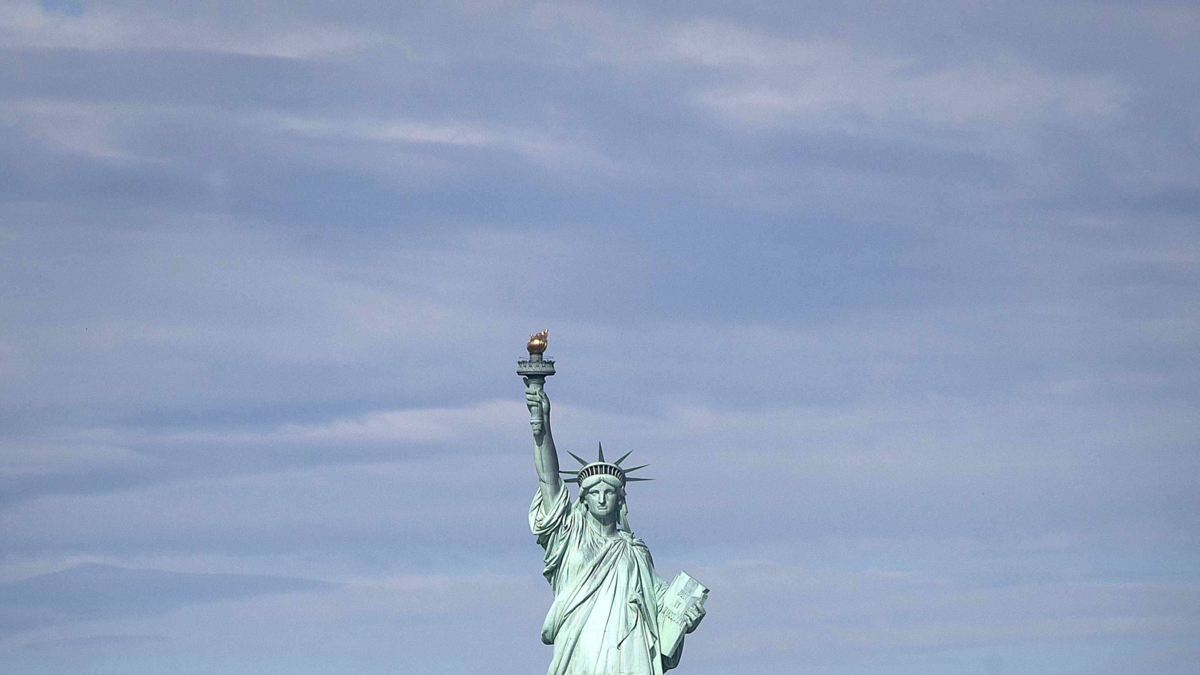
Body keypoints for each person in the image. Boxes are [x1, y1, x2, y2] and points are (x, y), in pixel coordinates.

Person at [525, 380, 704, 675]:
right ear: (584, 500)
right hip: (581, 647)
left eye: (608, 492)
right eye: (594, 493)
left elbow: (659, 603)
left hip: (629, 651)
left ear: (620, 500)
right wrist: (542, 427)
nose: (601, 498)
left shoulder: (634, 551)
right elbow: (549, 480)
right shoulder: (571, 536)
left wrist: (688, 616)